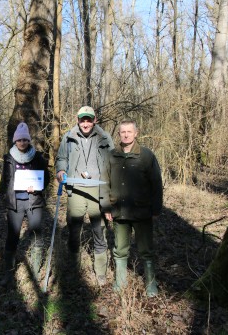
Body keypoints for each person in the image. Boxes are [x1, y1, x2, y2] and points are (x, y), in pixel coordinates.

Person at [55, 106, 115, 286]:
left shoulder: (105, 138)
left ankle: (101, 272)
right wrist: (61, 171)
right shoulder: (68, 137)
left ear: (94, 120)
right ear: (78, 120)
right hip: (76, 190)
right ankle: (74, 269)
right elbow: (61, 159)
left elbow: (113, 163)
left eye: (89, 119)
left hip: (99, 190)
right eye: (83, 120)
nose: (86, 123)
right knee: (74, 229)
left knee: (99, 230)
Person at [104, 120, 163, 297]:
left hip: (142, 211)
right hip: (119, 211)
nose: (126, 135)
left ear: (136, 133)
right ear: (119, 134)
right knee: (120, 249)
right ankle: (120, 283)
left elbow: (156, 184)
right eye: (123, 132)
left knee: (146, 250)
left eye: (129, 131)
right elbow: (104, 182)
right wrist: (106, 207)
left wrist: (156, 209)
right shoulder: (111, 155)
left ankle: (151, 285)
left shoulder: (146, 155)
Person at [0, 122, 50, 287]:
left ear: (29, 140)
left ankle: (35, 271)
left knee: (36, 233)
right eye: (19, 140)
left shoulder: (38, 157)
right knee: (13, 236)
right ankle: (8, 273)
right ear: (15, 141)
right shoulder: (8, 158)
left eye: (25, 140)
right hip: (15, 203)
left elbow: (46, 179)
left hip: (33, 201)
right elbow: (5, 181)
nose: (22, 142)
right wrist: (2, 198)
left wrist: (36, 187)